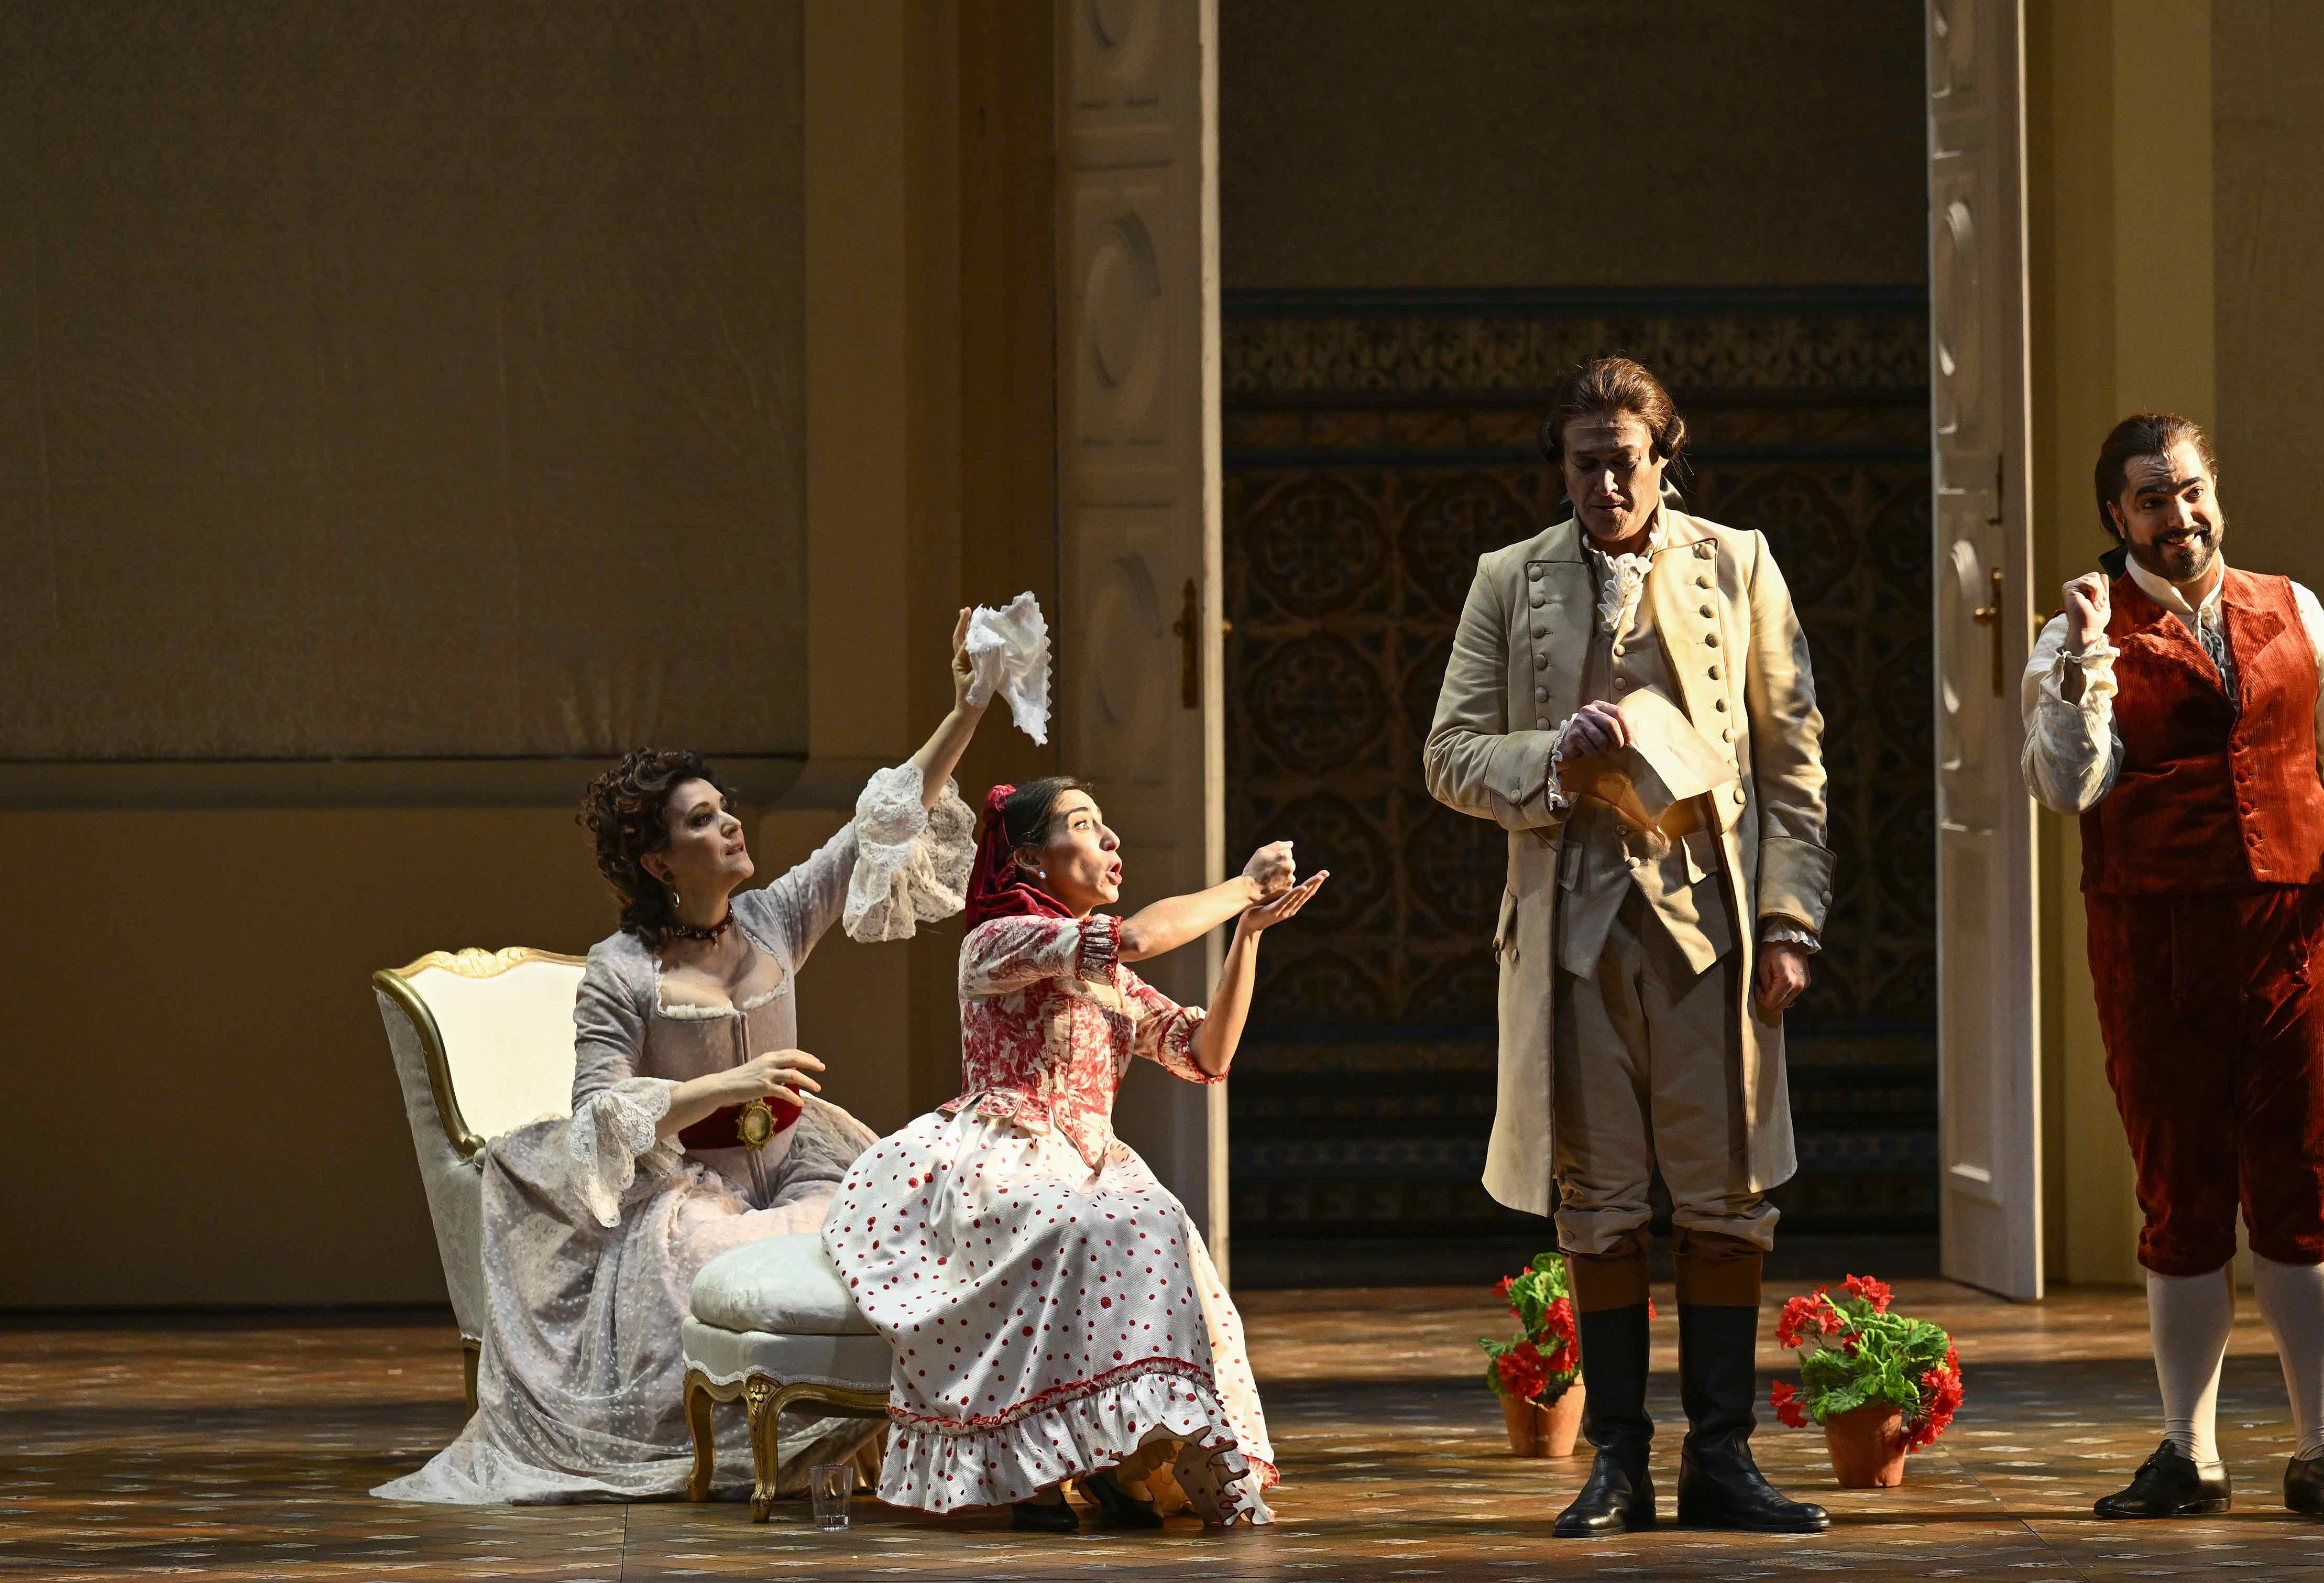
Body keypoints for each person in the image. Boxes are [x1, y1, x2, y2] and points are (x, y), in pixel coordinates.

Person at [377, 614, 988, 1504]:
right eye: (704, 819)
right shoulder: (621, 970)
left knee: (904, 1220)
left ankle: (891, 1430)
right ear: (661, 861)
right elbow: (599, 1113)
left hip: (798, 1162)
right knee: (716, 1252)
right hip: (689, 1191)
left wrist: (967, 705)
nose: (732, 823)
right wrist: (724, 1085)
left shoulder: (774, 918)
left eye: (725, 807)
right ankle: (755, 1442)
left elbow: (883, 821)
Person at [2021, 412, 2324, 1526]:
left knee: (2304, 1197)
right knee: (2182, 1201)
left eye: (2190, 491)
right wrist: (2083, 657)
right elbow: (2067, 784)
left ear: (2216, 491)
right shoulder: (2077, 631)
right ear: (2116, 515)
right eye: (2151, 500)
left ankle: (2323, 1450)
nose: (2179, 516)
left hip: (2294, 941)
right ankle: (2189, 1450)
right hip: (2155, 949)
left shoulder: (2293, 606)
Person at [1423, 356, 1835, 1537]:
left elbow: (1793, 755)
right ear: (1559, 465)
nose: (1605, 484)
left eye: (1624, 461)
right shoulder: (1509, 578)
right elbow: (1449, 754)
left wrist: (1791, 919)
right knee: (1597, 1202)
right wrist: (1550, 756)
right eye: (1584, 463)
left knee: (1724, 1195)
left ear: (1665, 454)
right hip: (1573, 935)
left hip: (1710, 930)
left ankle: (1722, 1458)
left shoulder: (1739, 562)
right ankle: (1616, 1462)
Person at [825, 778, 1324, 1531]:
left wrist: (1248, 934)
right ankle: (1034, 1467)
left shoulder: (1110, 980)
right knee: (1074, 1226)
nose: (1112, 839)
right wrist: (1242, 887)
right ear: (1030, 859)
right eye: (1086, 825)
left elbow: (1207, 1053)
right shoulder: (996, 942)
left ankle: (1121, 1458)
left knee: (1160, 1222)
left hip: (1090, 1157)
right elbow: (1139, 937)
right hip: (1002, 1153)